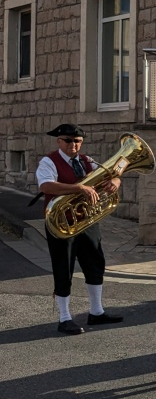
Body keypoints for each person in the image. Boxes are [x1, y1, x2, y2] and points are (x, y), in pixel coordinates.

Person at [35, 124, 125, 334]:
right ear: (59, 141)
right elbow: (46, 186)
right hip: (60, 224)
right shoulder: (49, 161)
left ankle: (96, 312)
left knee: (95, 263)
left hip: (86, 221)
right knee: (63, 267)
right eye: (68, 140)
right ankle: (64, 317)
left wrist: (115, 181)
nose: (72, 145)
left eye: (77, 141)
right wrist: (79, 188)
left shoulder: (88, 161)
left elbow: (114, 173)